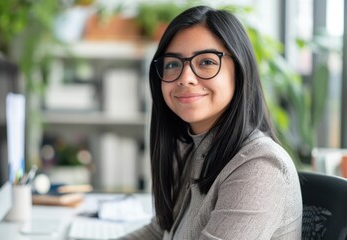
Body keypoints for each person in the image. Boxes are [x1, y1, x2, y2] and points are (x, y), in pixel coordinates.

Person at [119, 5, 302, 240]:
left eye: (206, 62)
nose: (186, 78)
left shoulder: (259, 166)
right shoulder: (189, 149)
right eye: (173, 64)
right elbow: (158, 232)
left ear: (239, 69)